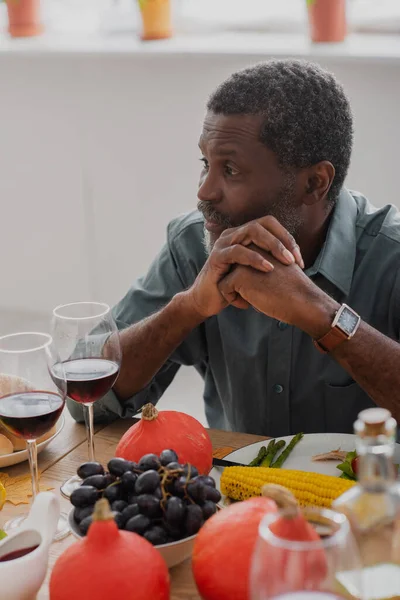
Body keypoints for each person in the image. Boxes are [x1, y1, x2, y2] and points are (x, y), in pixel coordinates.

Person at [68, 59, 400, 437]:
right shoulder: (196, 244)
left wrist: (324, 317)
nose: (204, 191)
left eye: (230, 170)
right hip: (233, 495)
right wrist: (188, 307)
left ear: (314, 184)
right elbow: (83, 399)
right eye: (205, 162)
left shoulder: (390, 256)